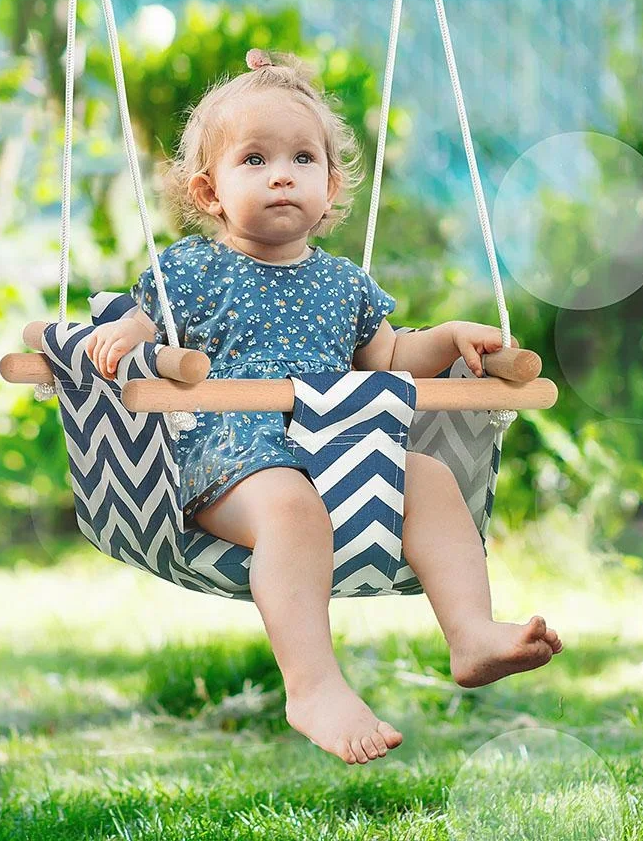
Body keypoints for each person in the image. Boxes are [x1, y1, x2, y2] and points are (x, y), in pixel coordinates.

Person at [84, 48, 563, 766]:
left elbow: (392, 356)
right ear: (210, 193)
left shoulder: (345, 285)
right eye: (255, 159)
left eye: (303, 158)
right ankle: (311, 686)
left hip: (336, 451)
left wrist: (447, 338)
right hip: (231, 460)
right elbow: (147, 324)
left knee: (427, 477)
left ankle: (470, 633)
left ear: (331, 185)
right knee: (291, 507)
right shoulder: (192, 269)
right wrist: (124, 330)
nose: (282, 173)